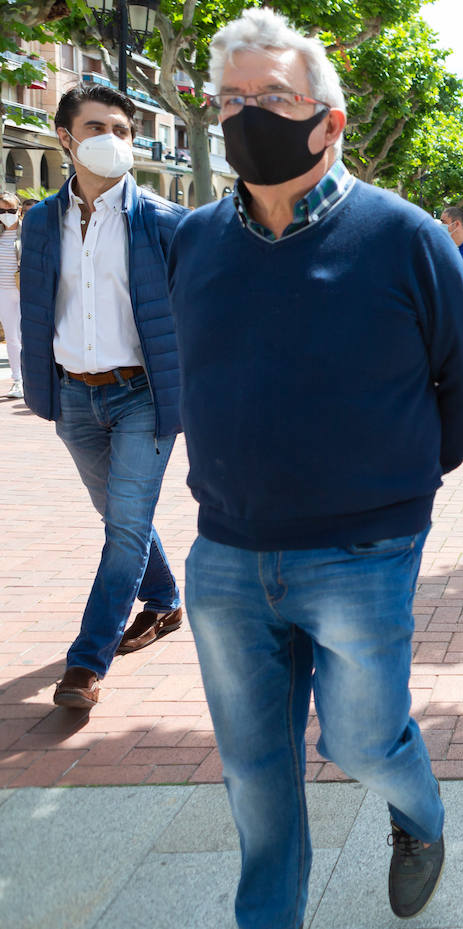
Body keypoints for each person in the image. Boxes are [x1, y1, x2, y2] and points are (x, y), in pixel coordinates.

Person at [166, 11, 463, 926]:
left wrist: (392, 491)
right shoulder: (193, 241)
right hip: (227, 556)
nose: (246, 117)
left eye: (272, 98)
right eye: (230, 101)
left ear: (329, 119)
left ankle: (419, 811)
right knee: (255, 773)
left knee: (358, 738)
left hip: (363, 550)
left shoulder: (403, 236)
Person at [18, 84, 188, 708]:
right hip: (74, 399)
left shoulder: (166, 222)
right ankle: (166, 601)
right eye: (97, 128)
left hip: (142, 396)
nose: (113, 140)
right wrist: (42, 389)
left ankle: (86, 662)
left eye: (121, 129)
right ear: (65, 137)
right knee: (123, 520)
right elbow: (35, 310)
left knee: (123, 528)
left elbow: (203, 310)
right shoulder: (40, 221)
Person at [0, 191, 21, 399]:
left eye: (11, 210)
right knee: (12, 338)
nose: (6, 214)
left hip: (26, 291)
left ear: (19, 210)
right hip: (3, 292)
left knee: (29, 336)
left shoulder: (30, 232)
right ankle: (18, 380)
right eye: (2, 210)